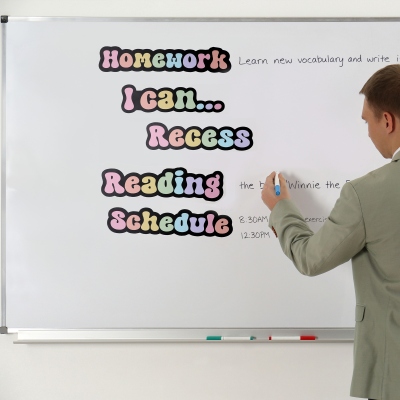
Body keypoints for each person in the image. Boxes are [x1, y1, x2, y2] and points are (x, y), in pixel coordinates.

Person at [261, 64, 400, 400]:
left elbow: (311, 259)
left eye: (367, 121)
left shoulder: (367, 194)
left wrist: (281, 208)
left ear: (388, 121)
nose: (368, 133)